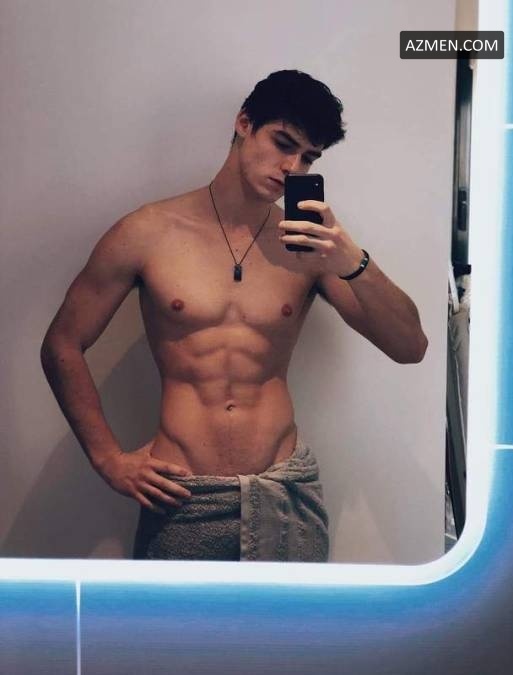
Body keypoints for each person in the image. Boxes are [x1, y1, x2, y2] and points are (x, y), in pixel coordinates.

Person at [40, 70, 428, 562]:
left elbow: (410, 347)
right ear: (244, 123)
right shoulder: (148, 232)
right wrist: (108, 459)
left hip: (285, 491)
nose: (292, 167)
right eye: (283, 143)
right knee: (176, 618)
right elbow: (63, 343)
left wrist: (353, 261)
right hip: (182, 494)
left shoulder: (310, 247)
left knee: (295, 619)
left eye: (309, 157)